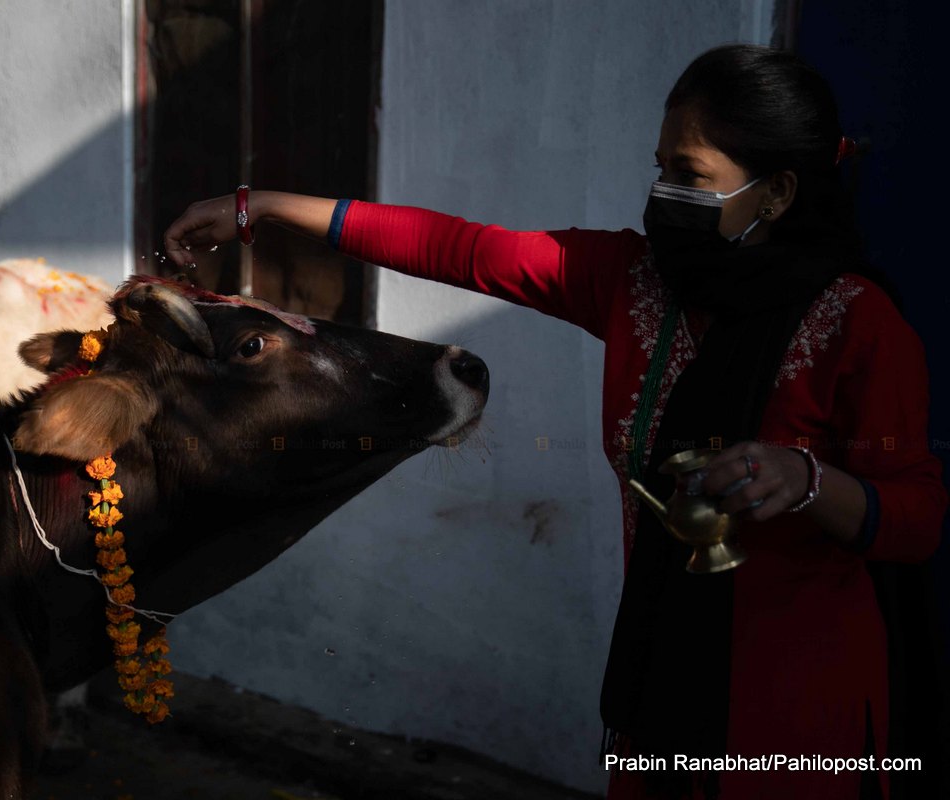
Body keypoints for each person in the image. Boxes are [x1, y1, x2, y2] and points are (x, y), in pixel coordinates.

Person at [162, 44, 947, 800]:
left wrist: (808, 480)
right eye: (660, 167)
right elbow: (464, 249)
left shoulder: (856, 324)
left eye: (691, 174)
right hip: (661, 683)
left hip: (797, 712)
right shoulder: (635, 284)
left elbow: (917, 520)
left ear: (775, 192)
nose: (663, 189)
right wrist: (261, 207)